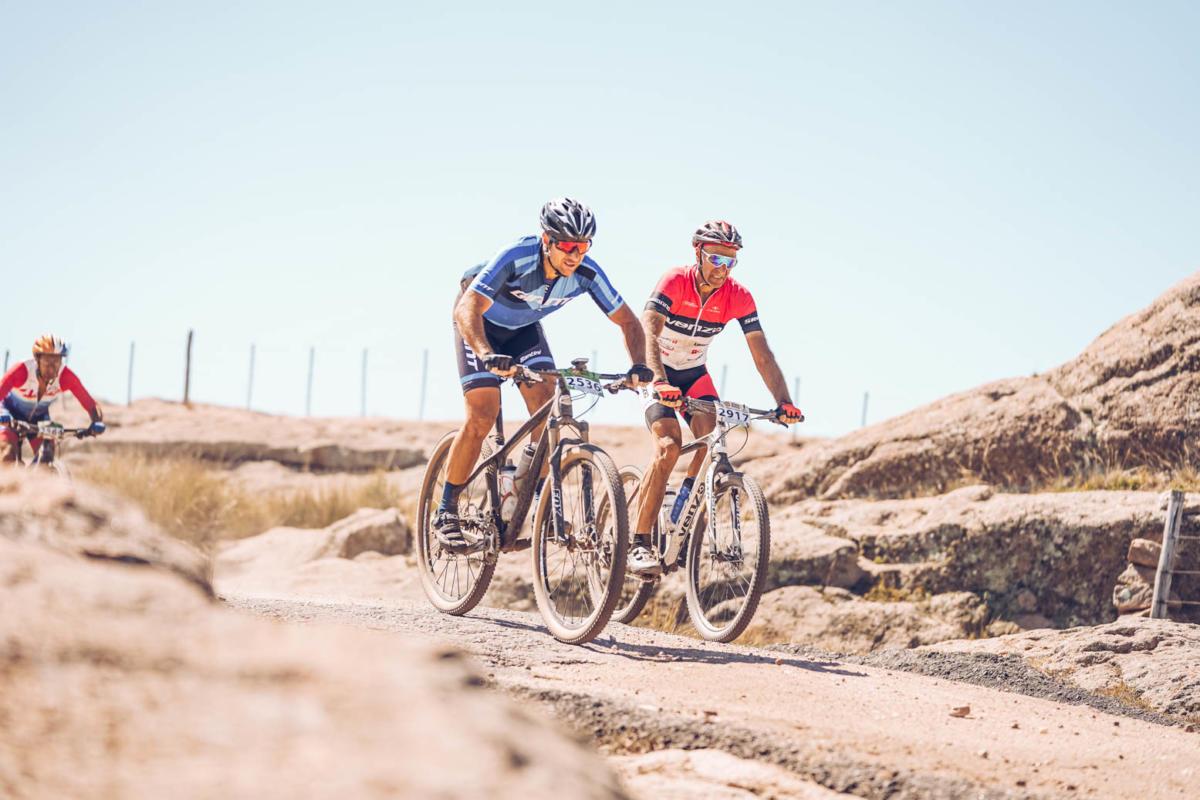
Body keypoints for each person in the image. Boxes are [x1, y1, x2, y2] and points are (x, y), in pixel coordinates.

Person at [435, 198, 653, 548]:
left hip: (523, 331)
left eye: (582, 246)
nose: (575, 255)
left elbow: (628, 321)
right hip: (478, 324)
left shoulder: (587, 273)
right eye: (567, 246)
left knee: (546, 403)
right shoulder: (516, 257)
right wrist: (486, 354)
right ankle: (446, 510)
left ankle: (530, 494)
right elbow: (468, 308)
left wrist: (639, 366)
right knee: (482, 414)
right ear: (547, 240)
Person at [629, 221, 803, 574]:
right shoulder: (675, 280)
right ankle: (639, 542)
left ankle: (681, 510)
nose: (723, 268)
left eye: (730, 261)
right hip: (657, 369)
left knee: (711, 440)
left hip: (693, 374)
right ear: (698, 253)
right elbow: (648, 331)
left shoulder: (738, 296)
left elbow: (762, 354)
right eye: (716, 259)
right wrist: (658, 380)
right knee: (669, 446)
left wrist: (784, 401)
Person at [1, 335, 106, 465]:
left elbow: (90, 404)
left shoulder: (65, 376)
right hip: (9, 413)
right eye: (47, 361)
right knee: (7, 453)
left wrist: (97, 421)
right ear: (37, 359)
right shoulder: (22, 371)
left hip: (39, 417)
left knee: (47, 455)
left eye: (56, 361)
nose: (52, 367)